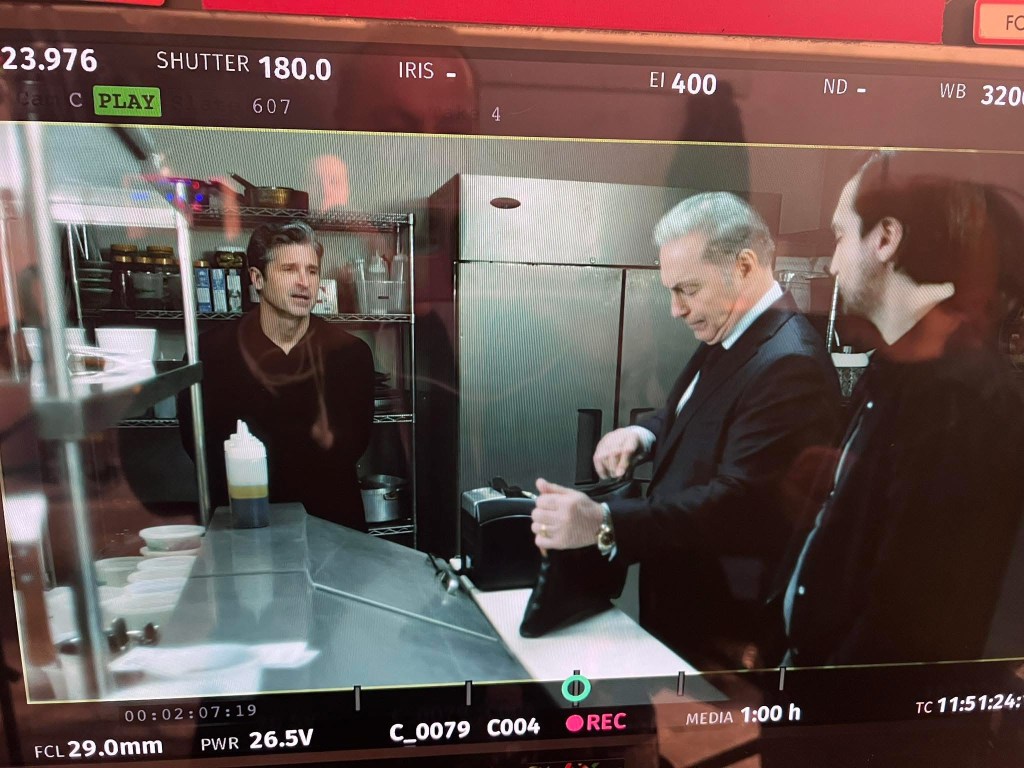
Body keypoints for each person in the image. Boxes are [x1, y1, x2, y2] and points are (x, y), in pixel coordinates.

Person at [530, 192, 841, 669]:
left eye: (688, 289)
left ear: (743, 266)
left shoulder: (789, 363)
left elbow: (737, 504)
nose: (675, 309)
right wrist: (645, 435)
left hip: (725, 632)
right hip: (685, 607)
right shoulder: (733, 329)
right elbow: (698, 407)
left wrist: (604, 522)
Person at [778, 153, 1024, 666]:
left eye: (841, 236)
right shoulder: (895, 375)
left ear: (886, 238)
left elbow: (906, 629)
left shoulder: (960, 405)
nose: (833, 263)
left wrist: (817, 703)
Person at [180, 221, 375, 530]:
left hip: (331, 522)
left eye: (312, 271)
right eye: (289, 270)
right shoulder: (211, 352)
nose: (304, 282)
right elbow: (199, 445)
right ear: (257, 278)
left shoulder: (350, 353)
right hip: (245, 519)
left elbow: (354, 444)